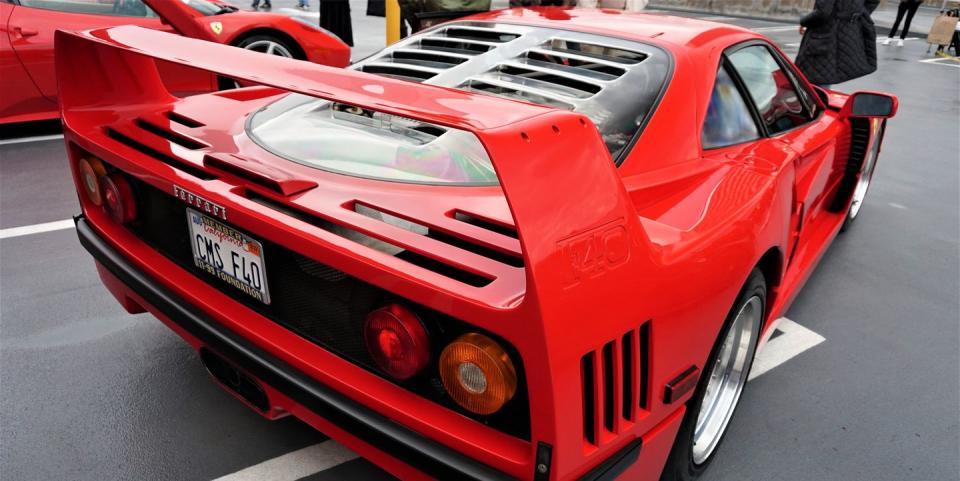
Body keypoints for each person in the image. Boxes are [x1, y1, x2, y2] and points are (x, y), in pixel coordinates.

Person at [796, 0, 880, 88]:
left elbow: (822, 12)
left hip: (825, 33)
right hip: (847, 32)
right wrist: (855, 13)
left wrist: (804, 21)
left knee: (815, 80)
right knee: (825, 75)